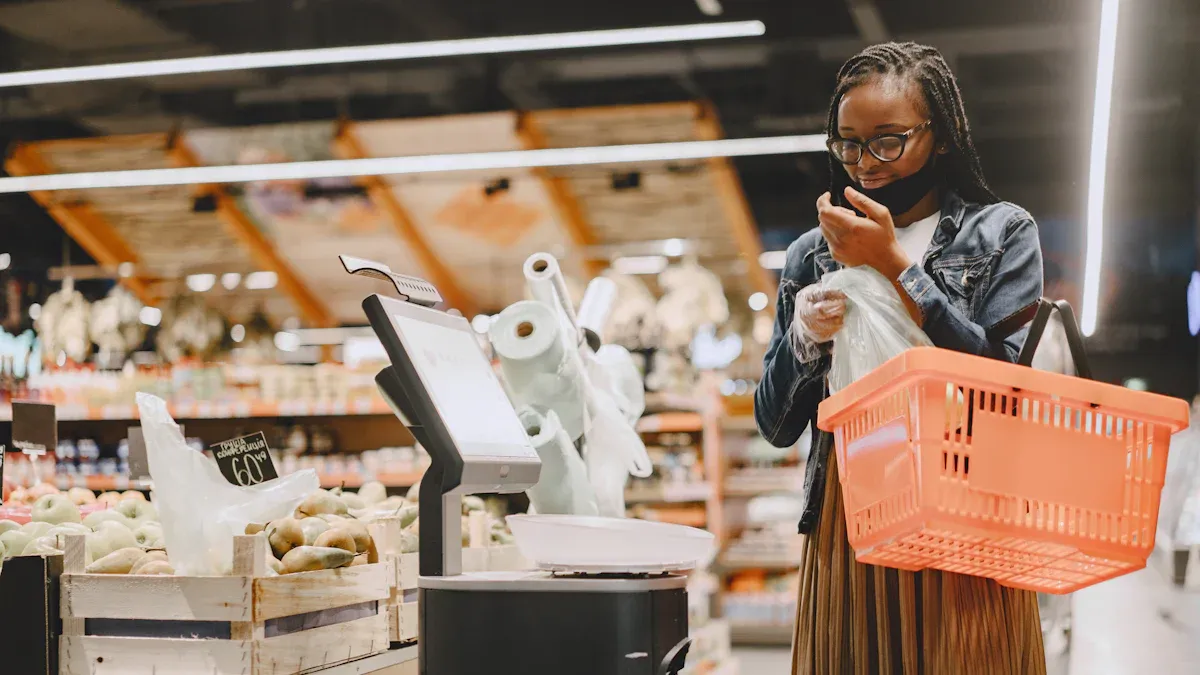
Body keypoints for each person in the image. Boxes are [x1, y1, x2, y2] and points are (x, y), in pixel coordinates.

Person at [755, 42, 1046, 673]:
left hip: (966, 508)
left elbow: (1005, 391)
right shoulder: (811, 253)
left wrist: (894, 266)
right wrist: (805, 339)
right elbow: (775, 425)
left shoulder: (1001, 233)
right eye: (849, 143)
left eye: (889, 139)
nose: (866, 163)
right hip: (850, 510)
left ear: (939, 136)